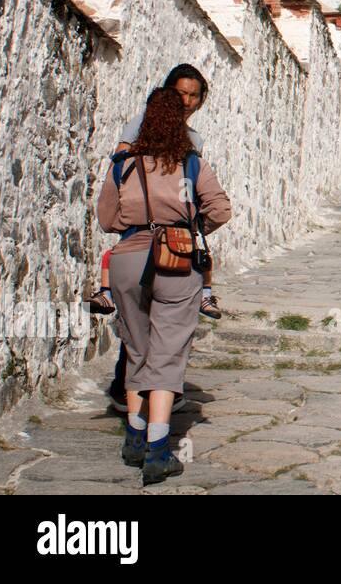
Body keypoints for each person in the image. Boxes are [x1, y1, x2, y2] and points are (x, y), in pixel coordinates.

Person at [97, 87, 232, 486]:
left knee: (136, 348)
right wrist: (188, 230)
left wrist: (138, 225)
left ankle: (134, 438)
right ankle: (158, 449)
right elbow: (220, 209)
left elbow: (107, 218)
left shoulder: (122, 164)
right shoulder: (191, 164)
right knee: (168, 351)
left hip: (128, 259)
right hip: (176, 259)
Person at [100, 64, 212, 415]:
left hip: (165, 238)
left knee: (149, 323)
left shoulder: (195, 139)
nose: (188, 101)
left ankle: (144, 409)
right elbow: (120, 167)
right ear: (167, 92)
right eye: (182, 93)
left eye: (195, 95)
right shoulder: (140, 124)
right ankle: (140, 396)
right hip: (149, 235)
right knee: (146, 324)